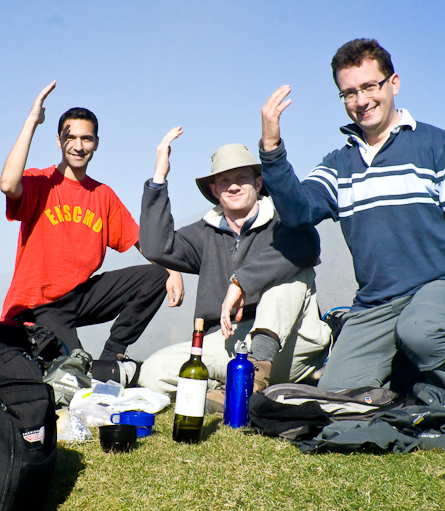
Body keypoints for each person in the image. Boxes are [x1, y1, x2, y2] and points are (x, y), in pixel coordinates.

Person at [257, 38, 445, 404]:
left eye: (370, 86)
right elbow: (298, 212)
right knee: (336, 396)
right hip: (376, 303)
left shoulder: (437, 146)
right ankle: (408, 374)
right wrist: (271, 146)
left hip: (440, 286)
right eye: (348, 93)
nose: (361, 100)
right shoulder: (339, 164)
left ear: (394, 83)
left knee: (419, 330)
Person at [137, 128, 331, 408]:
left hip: (291, 344)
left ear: (259, 183)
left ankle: (255, 375)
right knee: (153, 372)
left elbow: (308, 243)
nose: (234, 186)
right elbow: (156, 248)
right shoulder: (204, 233)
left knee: (293, 265)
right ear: (215, 191)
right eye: (224, 181)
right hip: (230, 341)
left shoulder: (284, 223)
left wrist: (241, 282)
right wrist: (159, 178)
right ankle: (232, 387)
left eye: (242, 178)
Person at [0, 82, 183, 368]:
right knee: (75, 372)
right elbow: (8, 184)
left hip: (81, 296)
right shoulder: (40, 182)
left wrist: (173, 270)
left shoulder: (102, 195)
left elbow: (140, 239)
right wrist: (31, 122)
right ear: (59, 141)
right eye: (70, 137)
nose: (78, 145)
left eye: (86, 139)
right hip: (39, 306)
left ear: (96, 143)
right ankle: (92, 369)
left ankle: (113, 355)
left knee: (155, 276)